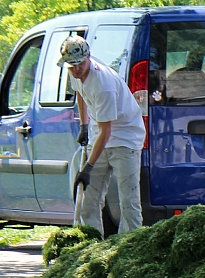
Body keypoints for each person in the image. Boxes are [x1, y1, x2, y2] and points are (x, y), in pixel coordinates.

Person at [58, 35, 146, 236]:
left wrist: (88, 167)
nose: (75, 69)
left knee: (128, 200)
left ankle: (130, 247)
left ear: (88, 57)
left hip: (125, 138)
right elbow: (80, 94)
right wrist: (84, 124)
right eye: (71, 66)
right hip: (99, 134)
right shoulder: (74, 71)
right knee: (88, 199)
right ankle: (91, 245)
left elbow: (108, 131)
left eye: (79, 64)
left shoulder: (103, 84)